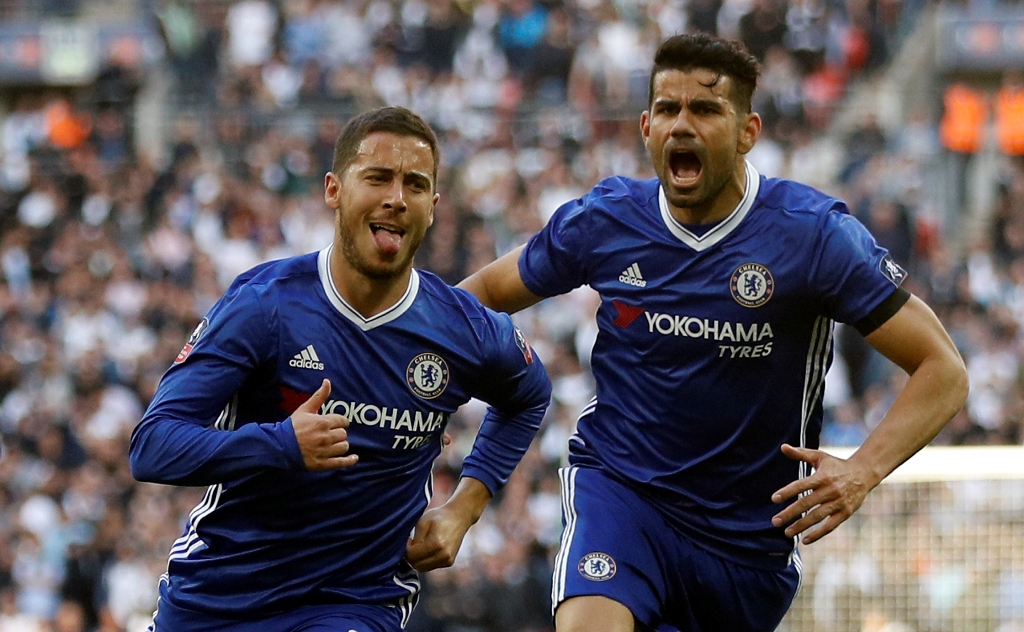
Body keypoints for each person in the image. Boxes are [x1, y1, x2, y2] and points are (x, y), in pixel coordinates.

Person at [458, 33, 968, 632]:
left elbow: (943, 370)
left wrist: (863, 469)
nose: (682, 124)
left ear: (748, 131)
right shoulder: (607, 220)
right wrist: (408, 367)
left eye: (704, 109)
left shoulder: (813, 237)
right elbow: (484, 293)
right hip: (622, 496)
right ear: (646, 127)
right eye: (668, 109)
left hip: (746, 545)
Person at [129, 106, 551, 631]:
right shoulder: (266, 305)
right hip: (219, 597)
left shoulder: (464, 329)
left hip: (355, 601)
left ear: (433, 207)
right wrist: (281, 444)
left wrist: (465, 507)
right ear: (334, 190)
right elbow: (153, 446)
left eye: (415, 185)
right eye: (378, 177)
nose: (397, 198)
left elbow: (529, 395)